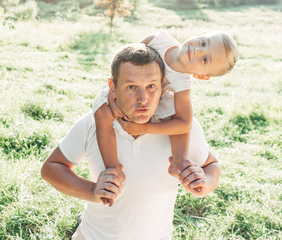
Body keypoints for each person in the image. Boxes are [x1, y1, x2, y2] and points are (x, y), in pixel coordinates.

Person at [41, 43, 221, 240]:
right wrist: (92, 191)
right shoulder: (93, 123)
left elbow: (211, 165)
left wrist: (205, 183)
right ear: (113, 87)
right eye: (131, 87)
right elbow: (51, 168)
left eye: (151, 86)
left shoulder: (181, 129)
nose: (143, 99)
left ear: (162, 85)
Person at [94, 30, 238, 196]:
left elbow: (185, 123)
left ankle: (178, 161)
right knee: (102, 113)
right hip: (127, 87)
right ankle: (112, 169)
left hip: (153, 99)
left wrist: (145, 128)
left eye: (205, 59)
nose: (198, 50)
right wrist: (113, 98)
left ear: (201, 75)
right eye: (203, 43)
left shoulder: (182, 83)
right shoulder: (159, 40)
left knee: (179, 118)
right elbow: (126, 63)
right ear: (200, 34)